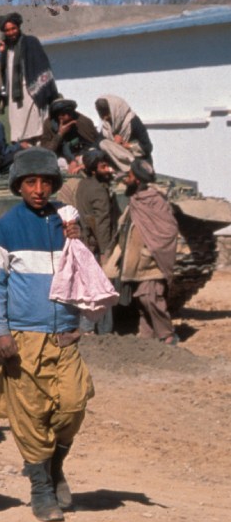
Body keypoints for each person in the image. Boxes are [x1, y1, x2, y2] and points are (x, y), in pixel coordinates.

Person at [0, 147, 93, 522]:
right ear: (18, 185)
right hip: (24, 337)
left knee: (73, 405)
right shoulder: (8, 226)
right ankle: (41, 489)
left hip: (64, 334)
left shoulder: (66, 223)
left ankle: (54, 467)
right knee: (31, 415)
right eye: (31, 182)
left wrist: (77, 240)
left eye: (46, 182)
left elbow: (85, 273)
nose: (39, 189)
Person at [58, 148, 121, 334]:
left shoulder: (84, 185)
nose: (108, 169)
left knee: (88, 288)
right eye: (103, 166)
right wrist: (105, 252)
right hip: (96, 246)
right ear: (94, 169)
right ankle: (103, 332)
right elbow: (102, 224)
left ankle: (87, 329)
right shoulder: (99, 191)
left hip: (84, 242)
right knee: (104, 289)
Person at [118, 159, 179, 345]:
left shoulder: (154, 200)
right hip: (136, 261)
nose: (126, 179)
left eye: (129, 176)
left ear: (137, 180)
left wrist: (151, 248)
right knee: (142, 300)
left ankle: (167, 334)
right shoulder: (136, 198)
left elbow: (168, 229)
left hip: (152, 258)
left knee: (150, 297)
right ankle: (147, 338)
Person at [0, 12, 58, 144]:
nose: (11, 32)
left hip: (32, 90)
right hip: (14, 94)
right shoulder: (5, 47)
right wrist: (0, 53)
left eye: (13, 28)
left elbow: (42, 66)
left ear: (18, 27)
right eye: (7, 30)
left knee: (36, 128)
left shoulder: (30, 42)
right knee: (18, 129)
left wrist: (42, 91)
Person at [39, 98, 100, 174]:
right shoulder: (49, 124)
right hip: (60, 159)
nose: (67, 117)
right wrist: (60, 134)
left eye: (69, 113)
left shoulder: (83, 122)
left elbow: (95, 145)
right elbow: (45, 152)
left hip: (81, 157)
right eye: (63, 114)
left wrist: (77, 159)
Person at [95, 95, 153, 173]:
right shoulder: (107, 125)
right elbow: (98, 142)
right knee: (103, 144)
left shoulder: (132, 122)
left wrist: (127, 145)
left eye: (107, 114)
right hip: (118, 165)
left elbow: (147, 147)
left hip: (138, 164)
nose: (105, 118)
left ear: (115, 111)